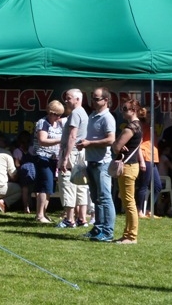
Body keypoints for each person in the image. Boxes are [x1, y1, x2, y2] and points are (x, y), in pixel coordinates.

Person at [77, 86, 116, 242]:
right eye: (92, 98)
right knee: (96, 199)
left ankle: (108, 232)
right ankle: (98, 228)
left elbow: (111, 140)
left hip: (102, 163)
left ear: (106, 100)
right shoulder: (93, 115)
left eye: (96, 99)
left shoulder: (107, 118)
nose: (93, 101)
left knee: (105, 198)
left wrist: (89, 143)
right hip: (92, 161)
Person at [57, 88, 90, 228]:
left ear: (78, 99)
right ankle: (82, 219)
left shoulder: (75, 114)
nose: (66, 100)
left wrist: (65, 157)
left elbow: (72, 136)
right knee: (81, 185)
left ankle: (69, 219)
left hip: (72, 153)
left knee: (67, 182)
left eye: (69, 98)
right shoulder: (83, 113)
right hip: (81, 153)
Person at [111, 98, 143, 244]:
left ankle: (131, 236)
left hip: (128, 167)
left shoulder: (130, 128)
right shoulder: (138, 126)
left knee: (129, 203)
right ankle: (127, 234)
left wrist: (117, 144)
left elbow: (116, 147)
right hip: (132, 166)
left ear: (133, 110)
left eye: (125, 109)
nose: (122, 112)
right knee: (128, 201)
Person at [33, 100, 64, 223]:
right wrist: (60, 140)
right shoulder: (42, 123)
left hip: (54, 159)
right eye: (57, 115)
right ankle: (39, 214)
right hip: (43, 157)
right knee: (44, 186)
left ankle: (44, 213)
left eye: (60, 115)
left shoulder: (58, 124)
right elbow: (42, 140)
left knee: (49, 187)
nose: (58, 117)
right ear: (50, 113)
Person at [136, 107, 161, 218]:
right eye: (149, 112)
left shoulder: (150, 127)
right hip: (146, 157)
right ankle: (139, 210)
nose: (151, 115)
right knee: (143, 186)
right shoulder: (142, 127)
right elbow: (138, 144)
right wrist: (141, 160)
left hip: (153, 158)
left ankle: (149, 210)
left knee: (157, 186)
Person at [12, 130, 35, 214]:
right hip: (33, 172)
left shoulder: (17, 151)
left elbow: (17, 164)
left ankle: (26, 207)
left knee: (25, 190)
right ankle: (37, 207)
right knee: (34, 189)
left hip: (24, 172)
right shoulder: (32, 149)